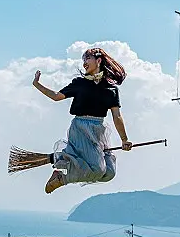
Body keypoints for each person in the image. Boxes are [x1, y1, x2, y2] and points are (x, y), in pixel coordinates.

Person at [32, 47, 133, 194]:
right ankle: (62, 173)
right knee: (98, 170)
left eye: (87, 58)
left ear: (98, 60)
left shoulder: (111, 89)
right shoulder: (79, 83)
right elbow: (56, 96)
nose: (84, 62)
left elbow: (117, 116)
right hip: (81, 128)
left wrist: (124, 140)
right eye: (83, 59)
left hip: (99, 130)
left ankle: (62, 163)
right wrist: (37, 84)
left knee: (109, 173)